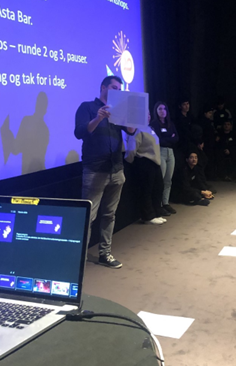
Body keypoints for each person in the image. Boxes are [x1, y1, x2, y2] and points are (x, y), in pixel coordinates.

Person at [74, 76, 136, 269]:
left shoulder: (118, 111)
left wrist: (134, 117)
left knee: (109, 215)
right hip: (95, 170)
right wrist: (98, 117)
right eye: (113, 87)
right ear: (103, 87)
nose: (116, 91)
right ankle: (79, 258)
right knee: (88, 217)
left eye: (119, 89)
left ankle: (105, 254)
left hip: (116, 169)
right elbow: (80, 132)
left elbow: (131, 131)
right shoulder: (87, 107)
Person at [125, 118, 167, 225]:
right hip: (145, 162)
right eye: (145, 113)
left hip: (155, 163)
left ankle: (157, 212)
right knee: (146, 190)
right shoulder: (137, 129)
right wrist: (129, 161)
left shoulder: (149, 128)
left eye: (148, 113)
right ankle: (148, 216)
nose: (147, 116)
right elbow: (131, 148)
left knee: (158, 188)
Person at [150, 101, 178, 215]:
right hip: (160, 151)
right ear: (156, 111)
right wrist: (169, 138)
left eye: (164, 109)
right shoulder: (154, 124)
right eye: (160, 109)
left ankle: (165, 203)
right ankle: (158, 205)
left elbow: (176, 138)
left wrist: (168, 139)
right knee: (160, 180)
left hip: (170, 152)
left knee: (168, 180)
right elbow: (157, 140)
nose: (163, 111)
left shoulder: (170, 123)